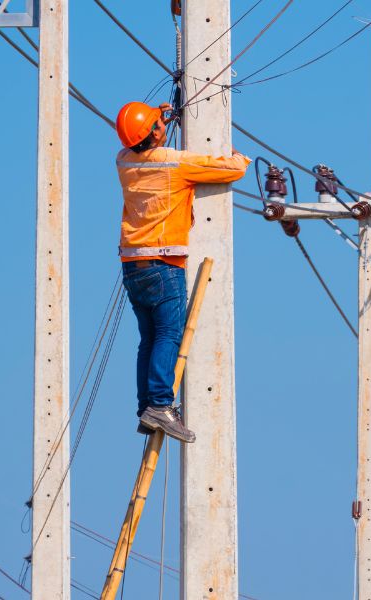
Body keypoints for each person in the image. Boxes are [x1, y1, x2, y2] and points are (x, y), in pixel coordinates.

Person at [115, 101, 250, 443]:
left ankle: (148, 407)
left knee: (149, 337)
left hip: (132, 263)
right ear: (155, 133)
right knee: (168, 335)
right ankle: (160, 405)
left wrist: (160, 117)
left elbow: (137, 137)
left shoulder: (124, 161)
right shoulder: (175, 162)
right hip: (164, 263)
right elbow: (231, 168)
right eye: (158, 124)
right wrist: (232, 150)